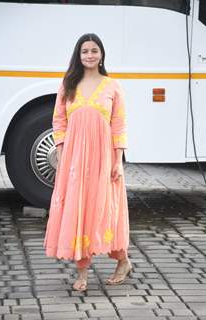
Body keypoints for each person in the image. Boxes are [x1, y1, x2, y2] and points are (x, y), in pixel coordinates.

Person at [44, 33, 132, 292]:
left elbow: (119, 125)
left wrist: (118, 160)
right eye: (85, 51)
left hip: (104, 158)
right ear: (78, 55)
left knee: (106, 210)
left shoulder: (112, 86)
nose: (90, 55)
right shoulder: (68, 84)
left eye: (94, 50)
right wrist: (60, 152)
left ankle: (123, 261)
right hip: (74, 159)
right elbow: (59, 120)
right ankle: (82, 271)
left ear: (101, 54)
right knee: (78, 209)